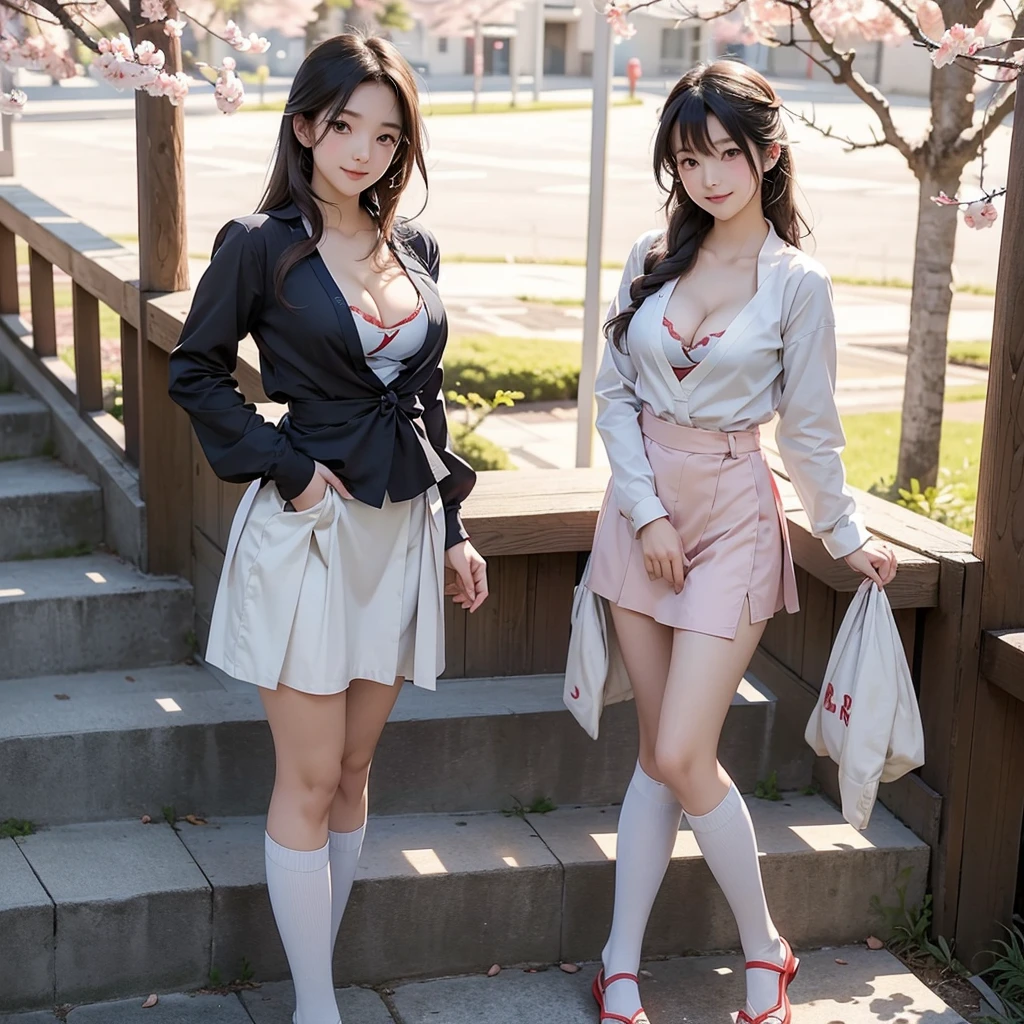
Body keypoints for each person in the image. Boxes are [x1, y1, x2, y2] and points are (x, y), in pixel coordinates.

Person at [167, 33, 488, 1024]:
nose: (363, 151)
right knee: (307, 774)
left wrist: (456, 526)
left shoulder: (414, 248)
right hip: (310, 534)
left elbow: (424, 400)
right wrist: (291, 468)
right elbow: (196, 372)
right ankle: (317, 1006)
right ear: (304, 126)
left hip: (399, 533)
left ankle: (320, 980)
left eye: (386, 136)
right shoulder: (260, 244)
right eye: (343, 126)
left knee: (353, 768)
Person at [585, 59, 897, 1024]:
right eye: (689, 158)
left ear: (768, 154)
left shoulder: (798, 284)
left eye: (728, 152)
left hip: (732, 520)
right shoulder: (651, 255)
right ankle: (619, 962)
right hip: (641, 514)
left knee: (684, 750)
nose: (710, 176)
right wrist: (643, 514)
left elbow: (808, 428)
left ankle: (766, 946)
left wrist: (842, 532)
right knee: (653, 753)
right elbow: (615, 396)